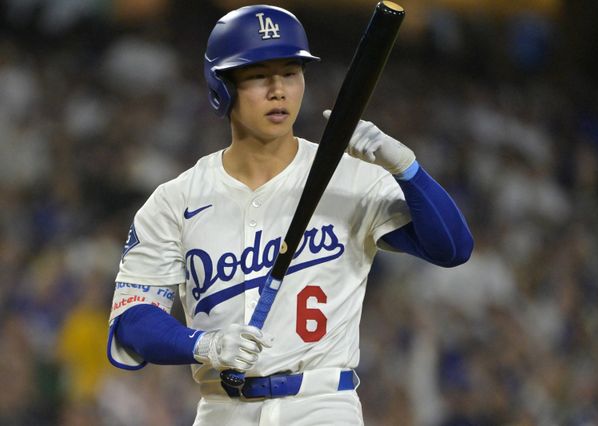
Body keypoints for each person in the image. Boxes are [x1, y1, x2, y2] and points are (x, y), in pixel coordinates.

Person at [106, 4, 473, 425]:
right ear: (221, 86)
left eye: (291, 72)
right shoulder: (175, 200)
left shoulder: (350, 177)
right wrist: (203, 344)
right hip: (222, 409)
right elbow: (132, 321)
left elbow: (453, 248)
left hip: (322, 404)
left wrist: (408, 169)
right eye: (259, 75)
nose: (278, 90)